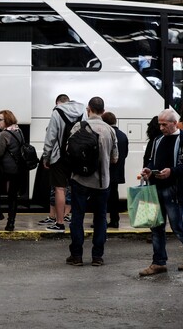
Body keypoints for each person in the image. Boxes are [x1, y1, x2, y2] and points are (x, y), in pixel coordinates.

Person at [139, 108, 183, 276]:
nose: (161, 128)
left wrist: (172, 171)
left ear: (175, 123)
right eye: (160, 124)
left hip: (174, 190)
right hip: (156, 189)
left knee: (177, 226)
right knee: (156, 227)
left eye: (164, 125)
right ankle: (158, 262)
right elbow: (151, 161)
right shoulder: (157, 140)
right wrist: (148, 170)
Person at [66, 97, 118, 267]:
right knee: (100, 218)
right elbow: (115, 158)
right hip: (102, 182)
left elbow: (69, 150)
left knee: (77, 216)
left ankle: (76, 255)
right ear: (103, 111)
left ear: (88, 109)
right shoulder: (110, 130)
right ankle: (97, 256)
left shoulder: (78, 127)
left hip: (80, 179)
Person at [41, 94, 85, 232]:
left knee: (60, 189)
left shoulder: (57, 112)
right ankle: (76, 223)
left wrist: (46, 156)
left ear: (58, 102)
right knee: (77, 188)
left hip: (59, 157)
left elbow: (51, 136)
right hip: (77, 157)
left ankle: (59, 223)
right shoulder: (82, 111)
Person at [0, 110, 24, 231]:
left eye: (0, 119)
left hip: (6, 169)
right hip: (18, 168)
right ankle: (11, 223)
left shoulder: (4, 134)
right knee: (13, 196)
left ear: (6, 121)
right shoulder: (18, 130)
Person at [102, 112, 128, 228]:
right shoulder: (123, 135)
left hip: (106, 171)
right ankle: (115, 220)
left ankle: (101, 221)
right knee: (114, 196)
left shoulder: (106, 134)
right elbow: (125, 153)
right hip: (117, 171)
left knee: (102, 197)